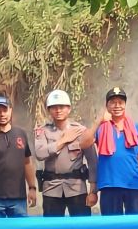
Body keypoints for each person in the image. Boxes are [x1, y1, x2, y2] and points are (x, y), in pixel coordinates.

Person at [82, 87, 138, 216]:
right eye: (113, 102)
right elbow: (84, 143)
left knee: (136, 227)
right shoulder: (101, 128)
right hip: (109, 186)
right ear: (107, 106)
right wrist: (99, 120)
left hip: (134, 185)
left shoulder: (136, 128)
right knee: (112, 227)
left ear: (125, 105)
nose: (117, 106)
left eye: (120, 102)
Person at [33, 89, 97, 217]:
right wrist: (63, 141)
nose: (58, 110)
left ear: (69, 108)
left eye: (62, 107)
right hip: (51, 188)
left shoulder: (80, 131)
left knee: (82, 228)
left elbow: (93, 161)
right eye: (54, 107)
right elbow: (40, 154)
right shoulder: (43, 131)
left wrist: (93, 191)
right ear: (49, 110)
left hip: (77, 188)